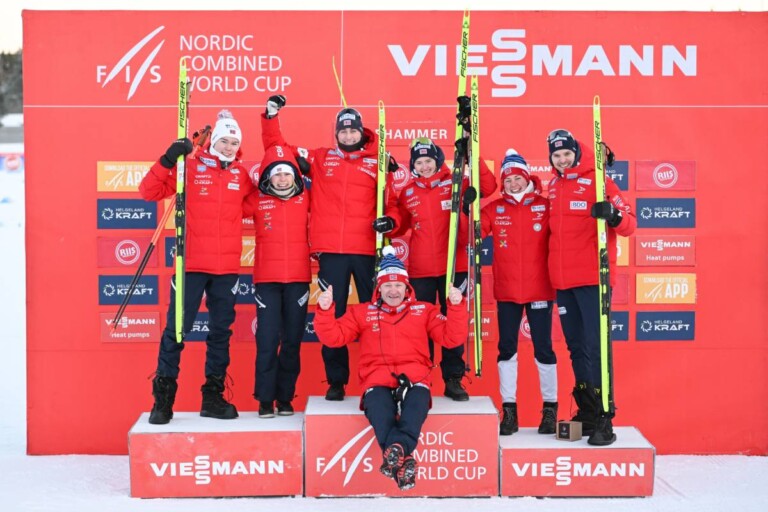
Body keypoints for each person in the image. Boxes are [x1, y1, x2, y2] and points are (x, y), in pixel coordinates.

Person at [260, 95, 398, 401]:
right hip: (332, 252)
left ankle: (379, 377)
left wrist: (391, 221)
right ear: (336, 134)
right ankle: (336, 381)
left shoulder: (378, 162)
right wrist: (270, 117)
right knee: (332, 314)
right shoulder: (321, 158)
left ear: (362, 132)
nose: (348, 136)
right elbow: (278, 149)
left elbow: (392, 205)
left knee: (376, 315)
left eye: (353, 131)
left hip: (367, 251)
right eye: (343, 131)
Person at [314, 246, 468, 491]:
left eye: (398, 285)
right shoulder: (362, 312)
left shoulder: (424, 310)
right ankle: (401, 457)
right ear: (379, 288)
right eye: (387, 285)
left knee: (416, 406)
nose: (393, 291)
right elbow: (333, 338)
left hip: (415, 377)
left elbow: (452, 338)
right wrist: (324, 311)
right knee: (380, 411)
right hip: (376, 379)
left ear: (407, 288)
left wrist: (457, 307)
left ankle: (395, 454)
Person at [139, 110, 255, 425]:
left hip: (226, 268)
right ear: (213, 140)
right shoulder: (188, 167)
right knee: (177, 330)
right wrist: (168, 159)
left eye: (234, 142)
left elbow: (254, 206)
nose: (229, 147)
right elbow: (148, 191)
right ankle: (163, 402)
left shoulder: (241, 175)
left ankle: (212, 398)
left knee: (220, 333)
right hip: (190, 264)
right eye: (224, 140)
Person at [373, 133, 495, 401]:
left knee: (453, 322)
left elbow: (488, 186)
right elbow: (398, 220)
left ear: (438, 160)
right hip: (421, 270)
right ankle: (420, 378)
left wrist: (473, 156)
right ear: (413, 166)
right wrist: (389, 222)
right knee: (419, 325)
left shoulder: (456, 182)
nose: (424, 166)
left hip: (453, 266)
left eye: (428, 160)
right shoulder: (409, 192)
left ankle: (453, 379)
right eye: (419, 163)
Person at [546, 128, 636, 445]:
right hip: (563, 282)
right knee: (576, 348)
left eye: (566, 154)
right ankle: (587, 411)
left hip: (592, 279)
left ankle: (604, 417)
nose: (562, 160)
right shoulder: (553, 186)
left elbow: (630, 223)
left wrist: (612, 214)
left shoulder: (600, 181)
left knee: (597, 348)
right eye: (556, 155)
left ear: (577, 153)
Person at [480, 150, 557, 435]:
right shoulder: (494, 209)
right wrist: (466, 208)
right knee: (507, 350)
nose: (513, 184)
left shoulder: (546, 206)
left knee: (544, 349)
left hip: (540, 289)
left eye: (517, 178)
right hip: (508, 290)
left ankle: (550, 410)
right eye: (507, 180)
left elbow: (567, 232)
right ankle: (509, 411)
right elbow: (471, 235)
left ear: (527, 178)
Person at [243, 143, 311, 418]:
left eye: (287, 174)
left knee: (292, 342)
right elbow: (225, 206)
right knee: (268, 341)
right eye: (277, 174)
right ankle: (265, 399)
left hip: (298, 280)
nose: (282, 179)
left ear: (294, 176)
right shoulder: (257, 199)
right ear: (267, 177)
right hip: (267, 281)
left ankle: (285, 398)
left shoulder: (306, 197)